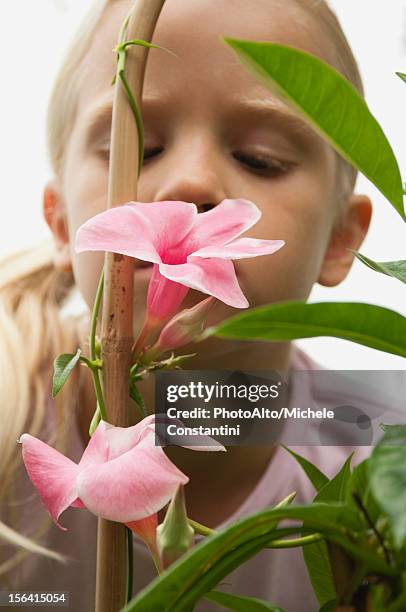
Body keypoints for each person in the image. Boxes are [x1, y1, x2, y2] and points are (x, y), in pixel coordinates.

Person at [0, 0, 375, 609]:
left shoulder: (380, 456)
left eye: (260, 159)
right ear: (63, 223)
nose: (191, 184)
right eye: (140, 149)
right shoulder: (8, 406)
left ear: (342, 239)